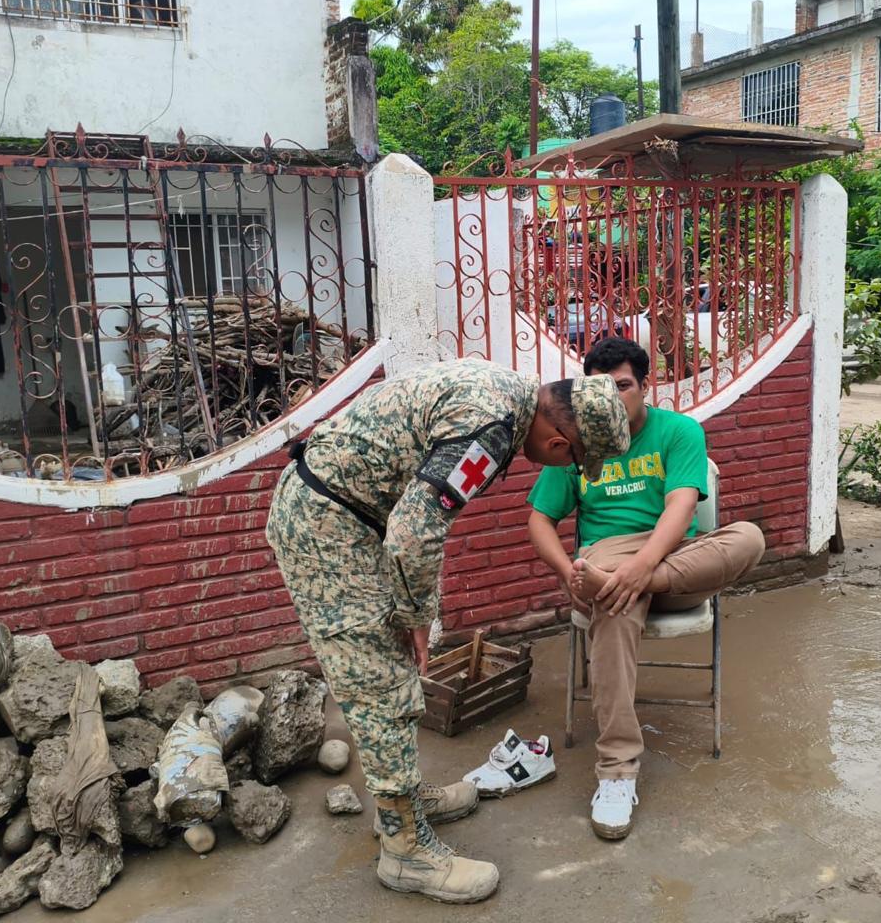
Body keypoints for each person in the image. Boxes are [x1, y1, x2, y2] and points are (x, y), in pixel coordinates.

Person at [265, 359, 630, 903]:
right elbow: (414, 535)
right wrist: (418, 618)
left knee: (389, 667)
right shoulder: (491, 431)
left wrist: (412, 611)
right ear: (559, 445)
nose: (570, 467)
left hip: (348, 515)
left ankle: (404, 802)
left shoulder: (508, 387)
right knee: (380, 681)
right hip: (327, 529)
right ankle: (405, 852)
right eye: (579, 460)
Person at [526, 337, 766, 841]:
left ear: (645, 384)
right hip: (605, 552)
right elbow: (540, 519)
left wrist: (643, 569)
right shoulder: (576, 440)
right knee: (615, 601)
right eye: (601, 390)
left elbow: (681, 506)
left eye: (623, 387)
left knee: (748, 537)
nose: (614, 400)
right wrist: (567, 568)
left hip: (673, 557)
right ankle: (616, 770)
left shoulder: (678, 431)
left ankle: (617, 585)